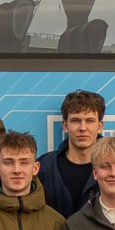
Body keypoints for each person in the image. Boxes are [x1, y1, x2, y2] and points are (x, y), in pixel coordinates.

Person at [41, 89, 106, 217]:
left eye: (90, 121)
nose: (82, 128)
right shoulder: (43, 167)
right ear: (65, 125)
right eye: (76, 120)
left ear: (100, 126)